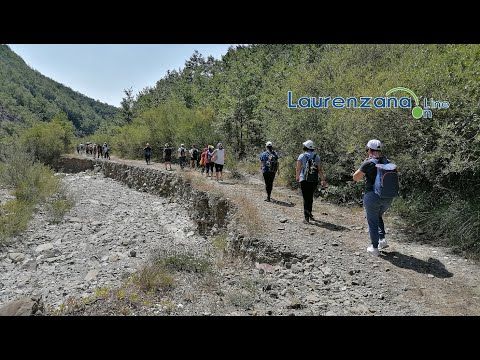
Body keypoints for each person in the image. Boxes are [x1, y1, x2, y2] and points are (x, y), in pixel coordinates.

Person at [353, 139, 398, 256]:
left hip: (372, 196)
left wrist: (363, 165)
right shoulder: (388, 162)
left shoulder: (369, 163)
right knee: (378, 216)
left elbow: (355, 178)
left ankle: (374, 248)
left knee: (372, 220)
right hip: (388, 198)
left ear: (369, 150)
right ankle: (382, 240)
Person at [295, 140, 327, 224]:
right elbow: (319, 170)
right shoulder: (317, 156)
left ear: (305, 147)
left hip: (304, 179)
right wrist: (323, 179)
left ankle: (306, 218)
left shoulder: (301, 156)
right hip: (314, 180)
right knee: (310, 197)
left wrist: (297, 176)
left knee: (306, 198)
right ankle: (310, 213)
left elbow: (298, 168)